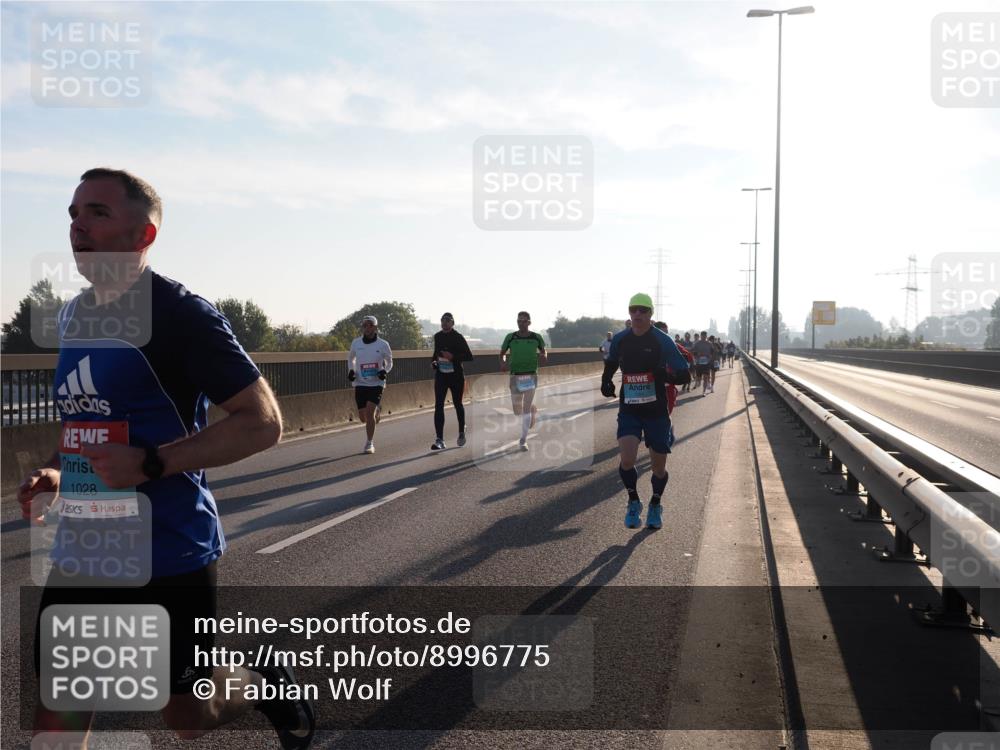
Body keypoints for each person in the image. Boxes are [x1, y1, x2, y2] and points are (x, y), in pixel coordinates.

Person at [16, 168, 314, 748]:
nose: (78, 225)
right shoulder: (75, 316)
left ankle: (257, 682)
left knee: (187, 719)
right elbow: (87, 422)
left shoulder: (180, 314)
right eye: (74, 213)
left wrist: (151, 464)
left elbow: (263, 422)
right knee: (60, 714)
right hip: (86, 548)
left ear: (143, 235)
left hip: (168, 549)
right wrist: (59, 470)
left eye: (97, 213)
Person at [602, 295, 690, 529]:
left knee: (658, 468)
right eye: (634, 310)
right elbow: (611, 361)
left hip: (656, 411)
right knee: (627, 460)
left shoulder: (663, 341)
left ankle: (655, 503)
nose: (638, 314)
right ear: (629, 313)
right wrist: (606, 380)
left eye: (643, 310)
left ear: (651, 314)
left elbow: (684, 374)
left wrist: (667, 376)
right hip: (630, 409)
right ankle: (633, 501)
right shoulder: (621, 339)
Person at [499, 311, 547, 451]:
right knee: (517, 410)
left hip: (530, 375)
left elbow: (544, 350)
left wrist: (544, 356)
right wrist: (502, 363)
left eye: (524, 321)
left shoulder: (536, 337)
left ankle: (523, 440)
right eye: (519, 321)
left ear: (529, 322)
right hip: (515, 375)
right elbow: (502, 354)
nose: (521, 323)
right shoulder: (511, 337)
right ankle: (532, 409)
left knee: (524, 409)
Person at [348, 315, 393, 454]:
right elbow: (351, 358)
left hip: (376, 383)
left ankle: (369, 443)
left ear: (375, 327)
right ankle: (376, 412)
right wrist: (351, 370)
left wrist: (384, 371)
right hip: (360, 382)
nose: (367, 328)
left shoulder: (383, 344)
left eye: (370, 325)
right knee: (363, 418)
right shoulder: (356, 343)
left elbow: (390, 361)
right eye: (365, 325)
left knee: (369, 411)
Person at [430, 312, 473, 450]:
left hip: (456, 376)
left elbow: (469, 356)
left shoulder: (458, 337)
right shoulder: (438, 336)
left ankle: (461, 431)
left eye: (448, 321)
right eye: (442, 320)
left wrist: (453, 357)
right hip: (441, 375)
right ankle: (439, 439)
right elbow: (436, 354)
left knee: (457, 404)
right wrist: (434, 362)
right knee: (438, 405)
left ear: (452, 323)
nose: (445, 323)